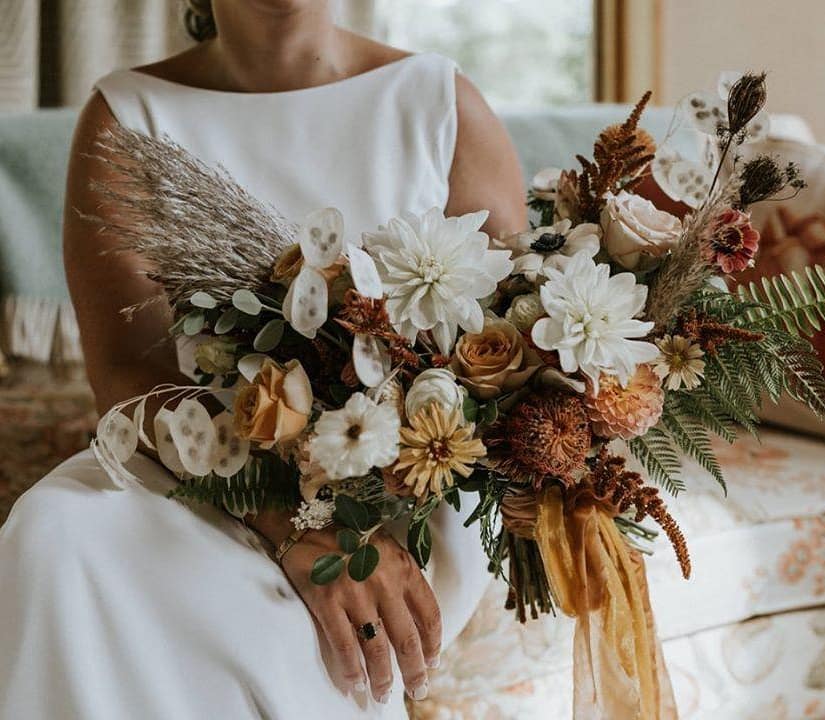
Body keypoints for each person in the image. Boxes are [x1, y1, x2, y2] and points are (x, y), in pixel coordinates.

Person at [0, 2, 525, 718]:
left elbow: (509, 353)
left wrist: (350, 525)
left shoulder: (439, 101)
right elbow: (128, 373)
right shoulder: (126, 115)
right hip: (201, 467)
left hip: (399, 492)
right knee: (54, 533)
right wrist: (288, 521)